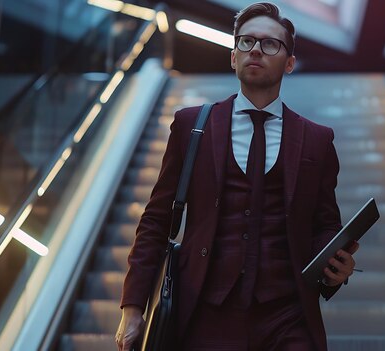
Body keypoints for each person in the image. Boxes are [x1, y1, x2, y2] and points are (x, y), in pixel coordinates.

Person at [116, 2, 359, 350]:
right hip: (205, 313)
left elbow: (325, 224)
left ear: (290, 63)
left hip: (288, 316)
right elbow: (156, 219)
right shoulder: (191, 125)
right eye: (246, 42)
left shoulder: (317, 140)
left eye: (270, 43)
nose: (256, 49)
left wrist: (335, 266)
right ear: (233, 57)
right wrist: (133, 306)